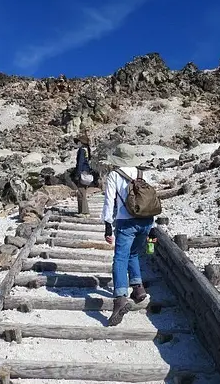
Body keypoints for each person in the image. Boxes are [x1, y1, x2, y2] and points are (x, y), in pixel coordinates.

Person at [100, 144, 154, 326]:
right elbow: (152, 199)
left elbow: (109, 201)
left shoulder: (114, 175)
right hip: (146, 221)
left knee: (120, 258)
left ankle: (120, 298)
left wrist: (107, 225)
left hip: (126, 222)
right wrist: (152, 226)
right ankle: (138, 288)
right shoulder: (142, 174)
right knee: (134, 254)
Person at [73, 134, 92, 217]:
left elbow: (80, 163)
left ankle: (83, 212)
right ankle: (84, 211)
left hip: (82, 172)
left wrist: (77, 174)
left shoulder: (81, 150)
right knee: (83, 191)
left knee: (81, 192)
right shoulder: (87, 150)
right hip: (87, 172)